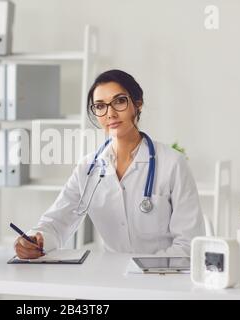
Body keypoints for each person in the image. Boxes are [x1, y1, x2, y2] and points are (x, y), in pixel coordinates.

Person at [14, 69, 205, 259]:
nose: (110, 113)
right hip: (112, 279)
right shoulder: (87, 169)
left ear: (137, 105)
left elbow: (189, 244)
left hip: (163, 279)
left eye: (119, 101)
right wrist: (35, 240)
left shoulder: (172, 164)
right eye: (100, 106)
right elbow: (56, 224)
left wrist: (143, 270)